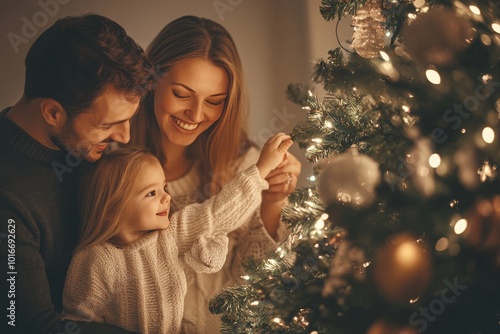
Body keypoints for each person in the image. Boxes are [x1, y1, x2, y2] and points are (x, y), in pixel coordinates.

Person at [131, 15, 302, 332]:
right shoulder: (114, 163)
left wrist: (273, 201)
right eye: (182, 94)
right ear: (151, 82)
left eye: (214, 101)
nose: (195, 115)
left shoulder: (245, 164)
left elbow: (257, 283)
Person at [0, 14, 154, 334]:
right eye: (108, 125)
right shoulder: (9, 203)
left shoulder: (83, 147)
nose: (124, 137)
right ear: (53, 113)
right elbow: (28, 326)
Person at [62, 134, 293, 334]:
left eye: (164, 187)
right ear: (112, 211)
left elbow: (217, 212)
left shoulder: (170, 236)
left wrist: (260, 169)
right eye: (151, 193)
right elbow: (78, 322)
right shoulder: (97, 260)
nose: (166, 197)